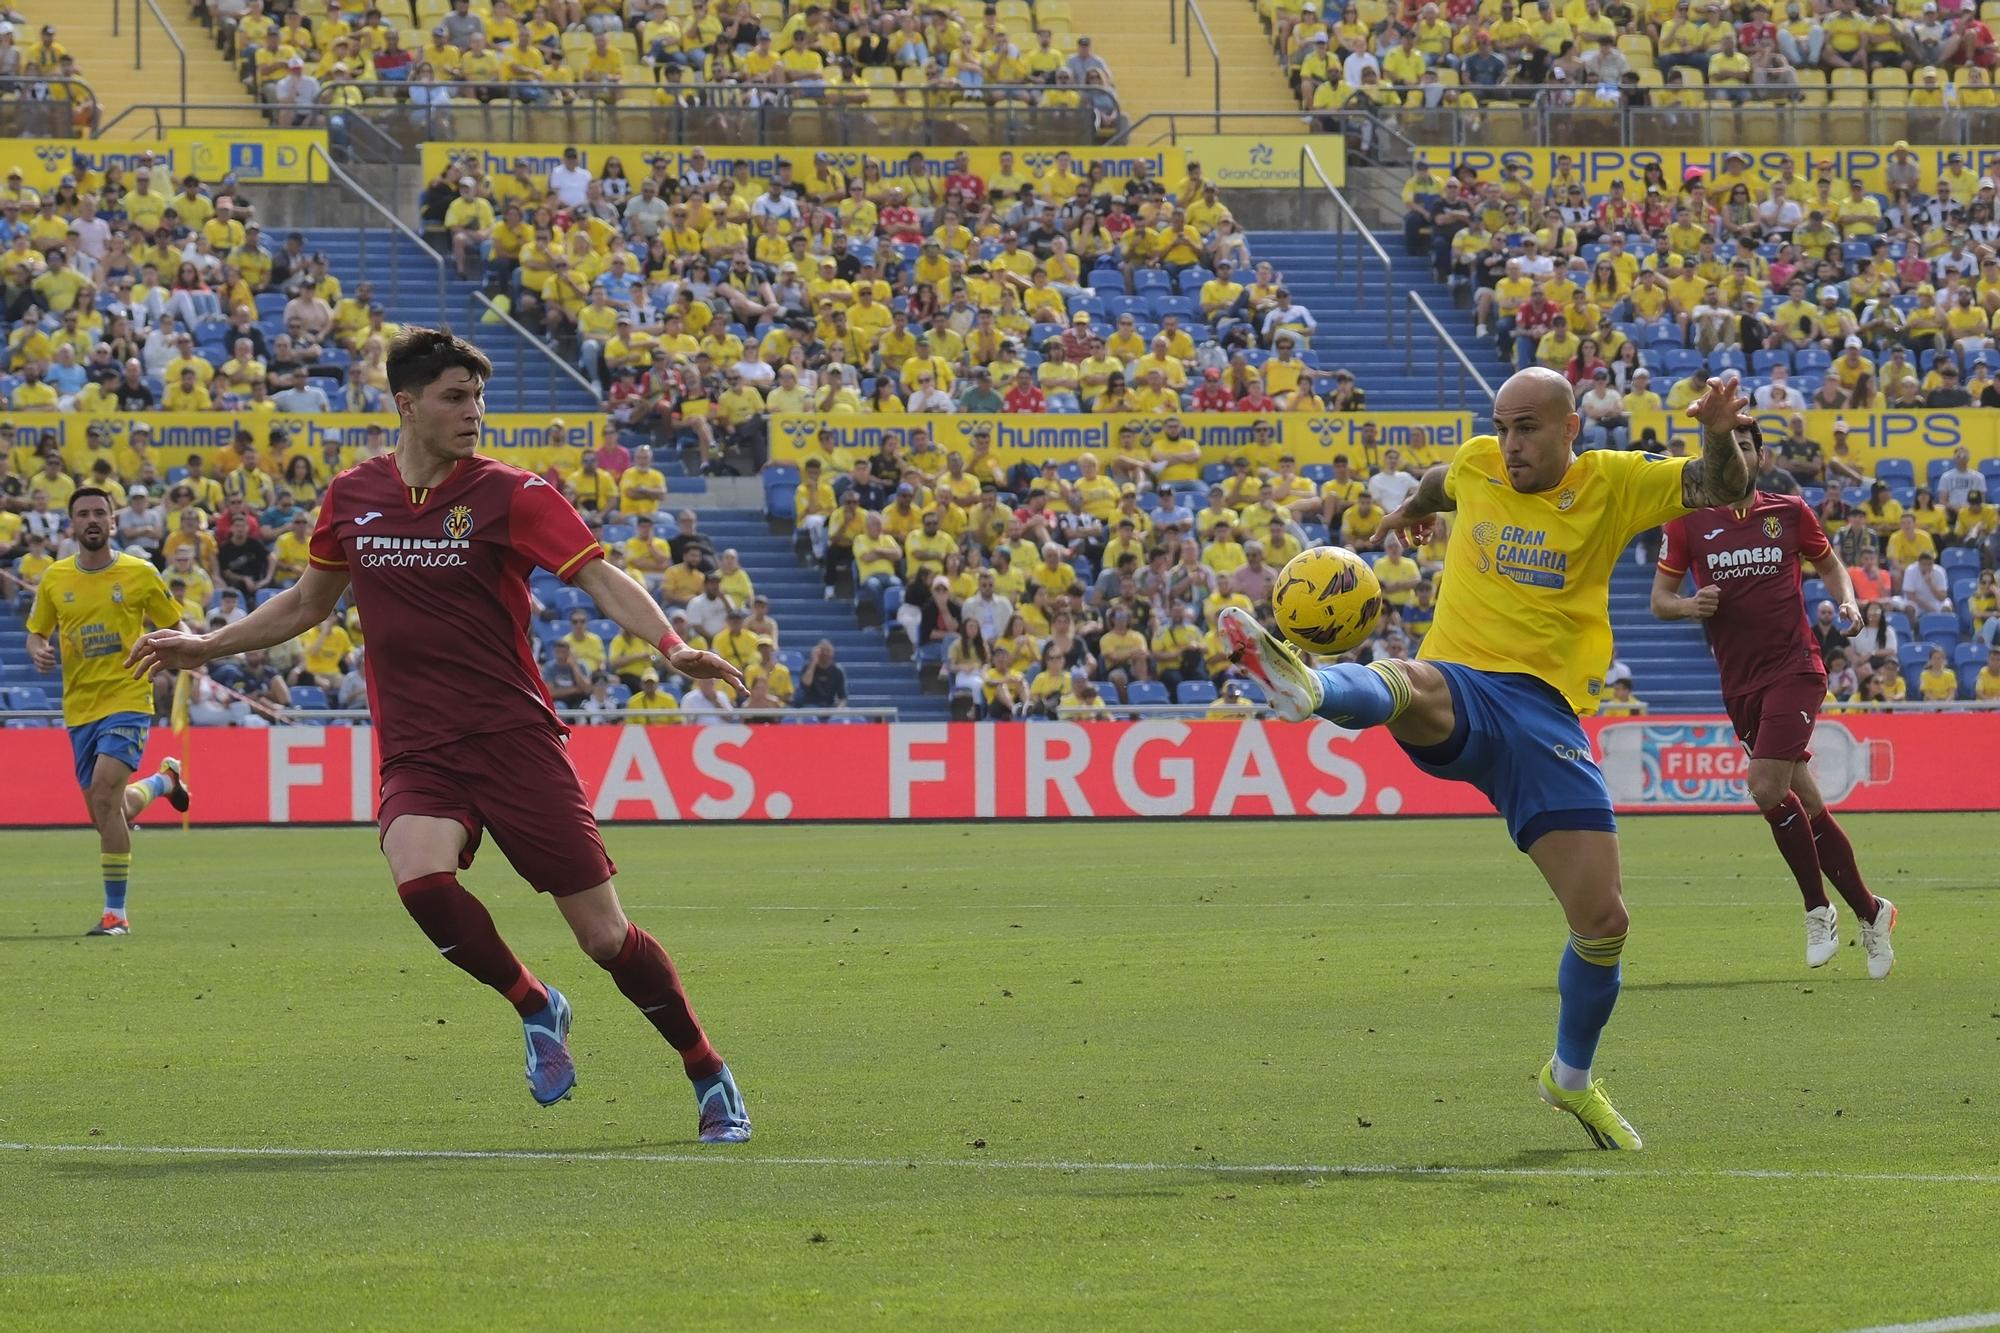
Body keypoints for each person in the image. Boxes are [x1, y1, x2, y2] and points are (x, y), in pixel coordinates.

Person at [127, 329, 753, 1141]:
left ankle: (707, 1070)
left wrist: (672, 647)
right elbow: (308, 604)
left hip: (513, 739)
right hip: (418, 745)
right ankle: (535, 1001)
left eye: (478, 397)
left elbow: (600, 574)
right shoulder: (353, 494)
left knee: (602, 935)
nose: (473, 413)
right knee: (419, 880)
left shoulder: (513, 493)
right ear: (407, 404)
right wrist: (206, 644)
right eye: (455, 398)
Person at [1219, 366, 1758, 1152]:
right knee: (1409, 680)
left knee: (1604, 921)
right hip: (1462, 685)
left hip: (1545, 713)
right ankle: (1308, 685)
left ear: (1571, 428)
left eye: (1528, 427)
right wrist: (1414, 505)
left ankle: (1569, 1079)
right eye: (1503, 426)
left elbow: (1720, 485)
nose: (1509, 444)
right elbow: (1447, 477)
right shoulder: (1478, 463)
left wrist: (1715, 430)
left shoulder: (1613, 483)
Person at [1651, 422, 1897, 978]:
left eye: (1744, 447)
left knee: (1764, 785)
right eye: (1726, 448)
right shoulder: (1688, 520)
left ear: (1761, 456)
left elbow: (1830, 564)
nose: (1735, 456)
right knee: (1805, 806)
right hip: (1739, 683)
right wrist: (1691, 606)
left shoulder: (1789, 511)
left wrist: (1850, 604)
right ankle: (1873, 911)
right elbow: (1660, 600)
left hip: (1796, 668)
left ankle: (1818, 909)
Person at [25, 487, 192, 937]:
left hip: (129, 698)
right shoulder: (55, 578)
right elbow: (37, 633)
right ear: (73, 524)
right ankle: (164, 780)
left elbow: (175, 626)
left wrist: (181, 650)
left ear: (113, 522)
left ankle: (115, 914)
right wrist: (39, 649)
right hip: (80, 707)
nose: (93, 519)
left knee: (103, 794)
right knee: (108, 810)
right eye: (84, 514)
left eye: (100, 512)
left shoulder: (139, 574)